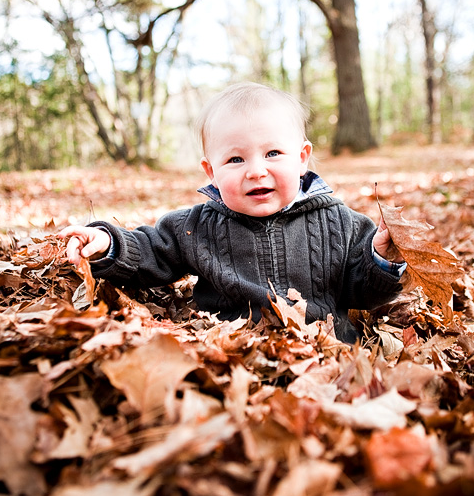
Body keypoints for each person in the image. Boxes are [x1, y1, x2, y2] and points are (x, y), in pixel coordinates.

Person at [59, 82, 405, 343]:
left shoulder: (338, 222)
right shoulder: (197, 226)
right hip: (226, 350)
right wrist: (108, 243)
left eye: (272, 153)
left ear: (301, 158)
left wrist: (381, 259)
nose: (255, 171)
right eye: (236, 159)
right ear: (211, 171)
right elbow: (150, 250)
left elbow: (363, 292)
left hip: (323, 351)